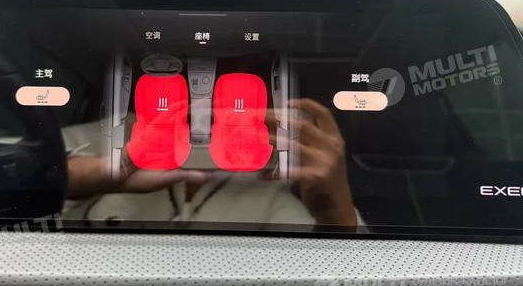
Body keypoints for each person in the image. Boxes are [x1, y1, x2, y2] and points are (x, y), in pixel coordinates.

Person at [61, 98, 363, 228]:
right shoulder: (118, 131)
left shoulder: (267, 186)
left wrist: (337, 213)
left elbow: (332, 278)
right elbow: (37, 172)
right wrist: (105, 171)